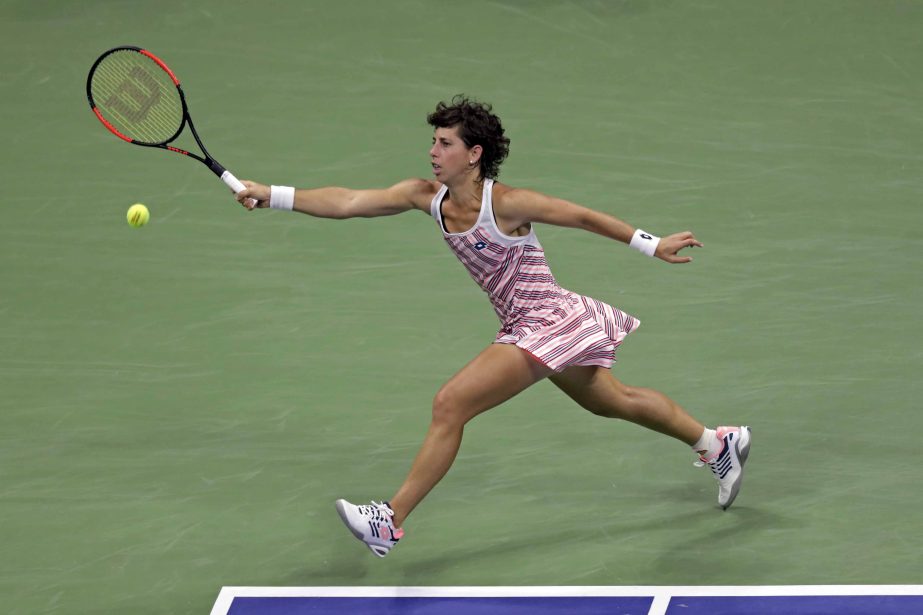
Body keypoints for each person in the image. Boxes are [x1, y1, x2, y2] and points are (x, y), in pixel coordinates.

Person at [235, 95, 751, 558]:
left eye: (445, 143)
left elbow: (582, 216)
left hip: (545, 319)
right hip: (529, 321)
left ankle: (388, 521)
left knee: (451, 403)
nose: (433, 152)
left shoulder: (505, 204)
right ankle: (715, 443)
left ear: (474, 153)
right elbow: (347, 202)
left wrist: (651, 242)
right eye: (433, 142)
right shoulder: (425, 196)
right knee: (609, 400)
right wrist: (274, 194)